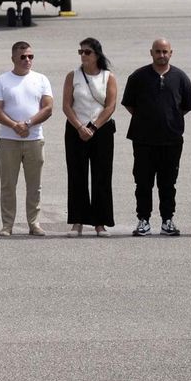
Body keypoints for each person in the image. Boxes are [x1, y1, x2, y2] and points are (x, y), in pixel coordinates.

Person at [121, 39, 191, 237]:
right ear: (151, 53)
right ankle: (143, 220)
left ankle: (167, 220)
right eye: (158, 51)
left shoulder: (181, 78)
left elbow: (186, 106)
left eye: (165, 51)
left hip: (171, 140)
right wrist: (147, 119)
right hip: (143, 140)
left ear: (171, 53)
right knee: (143, 182)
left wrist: (169, 120)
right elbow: (129, 104)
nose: (161, 55)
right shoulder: (138, 77)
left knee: (168, 183)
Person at [0, 41, 53, 237]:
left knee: (35, 184)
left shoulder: (41, 79)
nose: (27, 60)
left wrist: (28, 124)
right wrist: (15, 126)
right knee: (8, 183)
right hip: (9, 139)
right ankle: (7, 224)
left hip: (34, 139)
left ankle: (34, 223)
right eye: (23, 56)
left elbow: (48, 108)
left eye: (30, 56)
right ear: (13, 58)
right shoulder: (1, 81)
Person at [62, 37, 118, 236]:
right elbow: (66, 105)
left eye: (87, 52)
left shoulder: (107, 76)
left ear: (97, 55)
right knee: (77, 175)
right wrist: (79, 127)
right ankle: (77, 221)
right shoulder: (73, 75)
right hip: (76, 129)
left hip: (100, 130)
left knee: (101, 175)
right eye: (81, 52)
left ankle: (100, 222)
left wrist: (93, 127)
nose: (83, 55)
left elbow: (110, 106)